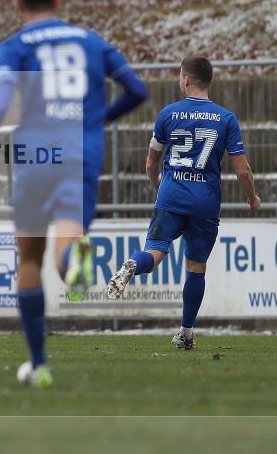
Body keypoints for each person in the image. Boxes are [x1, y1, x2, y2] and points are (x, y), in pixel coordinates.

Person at [0, 0, 147, 387]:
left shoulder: (15, 46)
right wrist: (98, 120)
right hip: (81, 154)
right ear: (57, 0)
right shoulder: (91, 41)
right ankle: (74, 262)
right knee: (67, 243)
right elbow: (138, 89)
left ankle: (39, 365)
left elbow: (0, 102)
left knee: (28, 259)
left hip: (35, 155)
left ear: (18, 3)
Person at [106, 56, 261, 350]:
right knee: (196, 266)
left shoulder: (168, 114)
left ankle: (132, 265)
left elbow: (151, 163)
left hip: (171, 196)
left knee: (153, 254)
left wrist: (159, 187)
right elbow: (242, 169)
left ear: (186, 80)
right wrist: (251, 198)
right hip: (205, 202)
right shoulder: (226, 118)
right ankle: (186, 332)